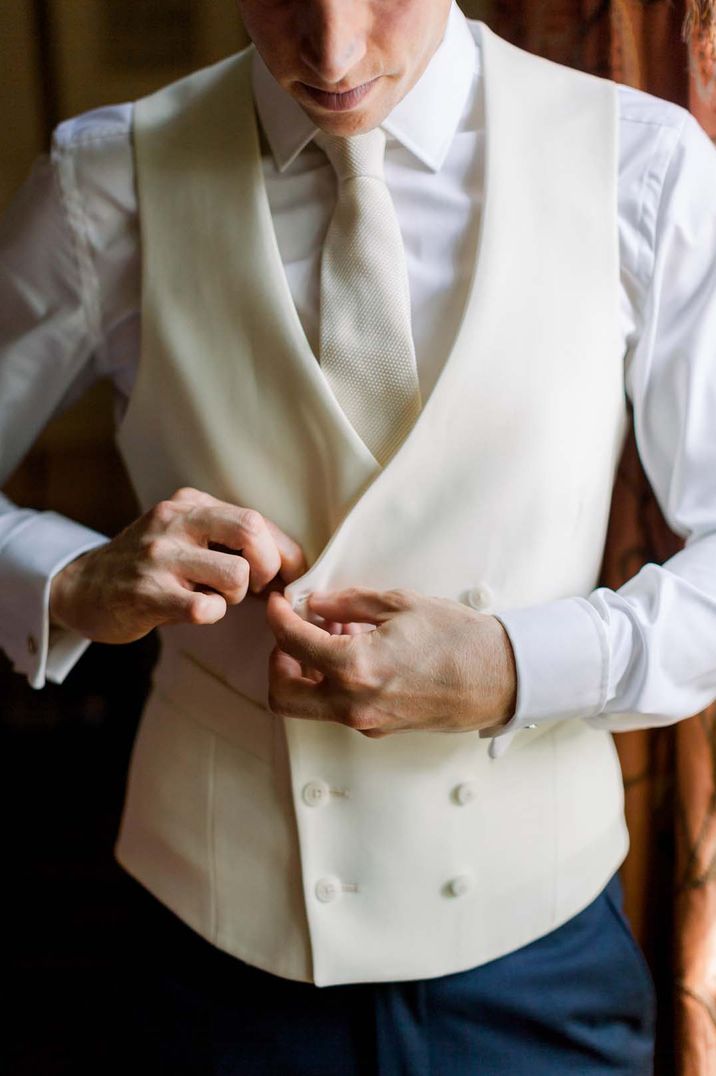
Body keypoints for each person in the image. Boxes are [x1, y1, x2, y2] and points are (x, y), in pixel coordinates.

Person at [2, 0, 716, 1071]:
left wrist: (512, 667)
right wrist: (64, 577)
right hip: (209, 948)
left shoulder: (643, 165)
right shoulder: (102, 180)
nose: (329, 53)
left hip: (540, 961)